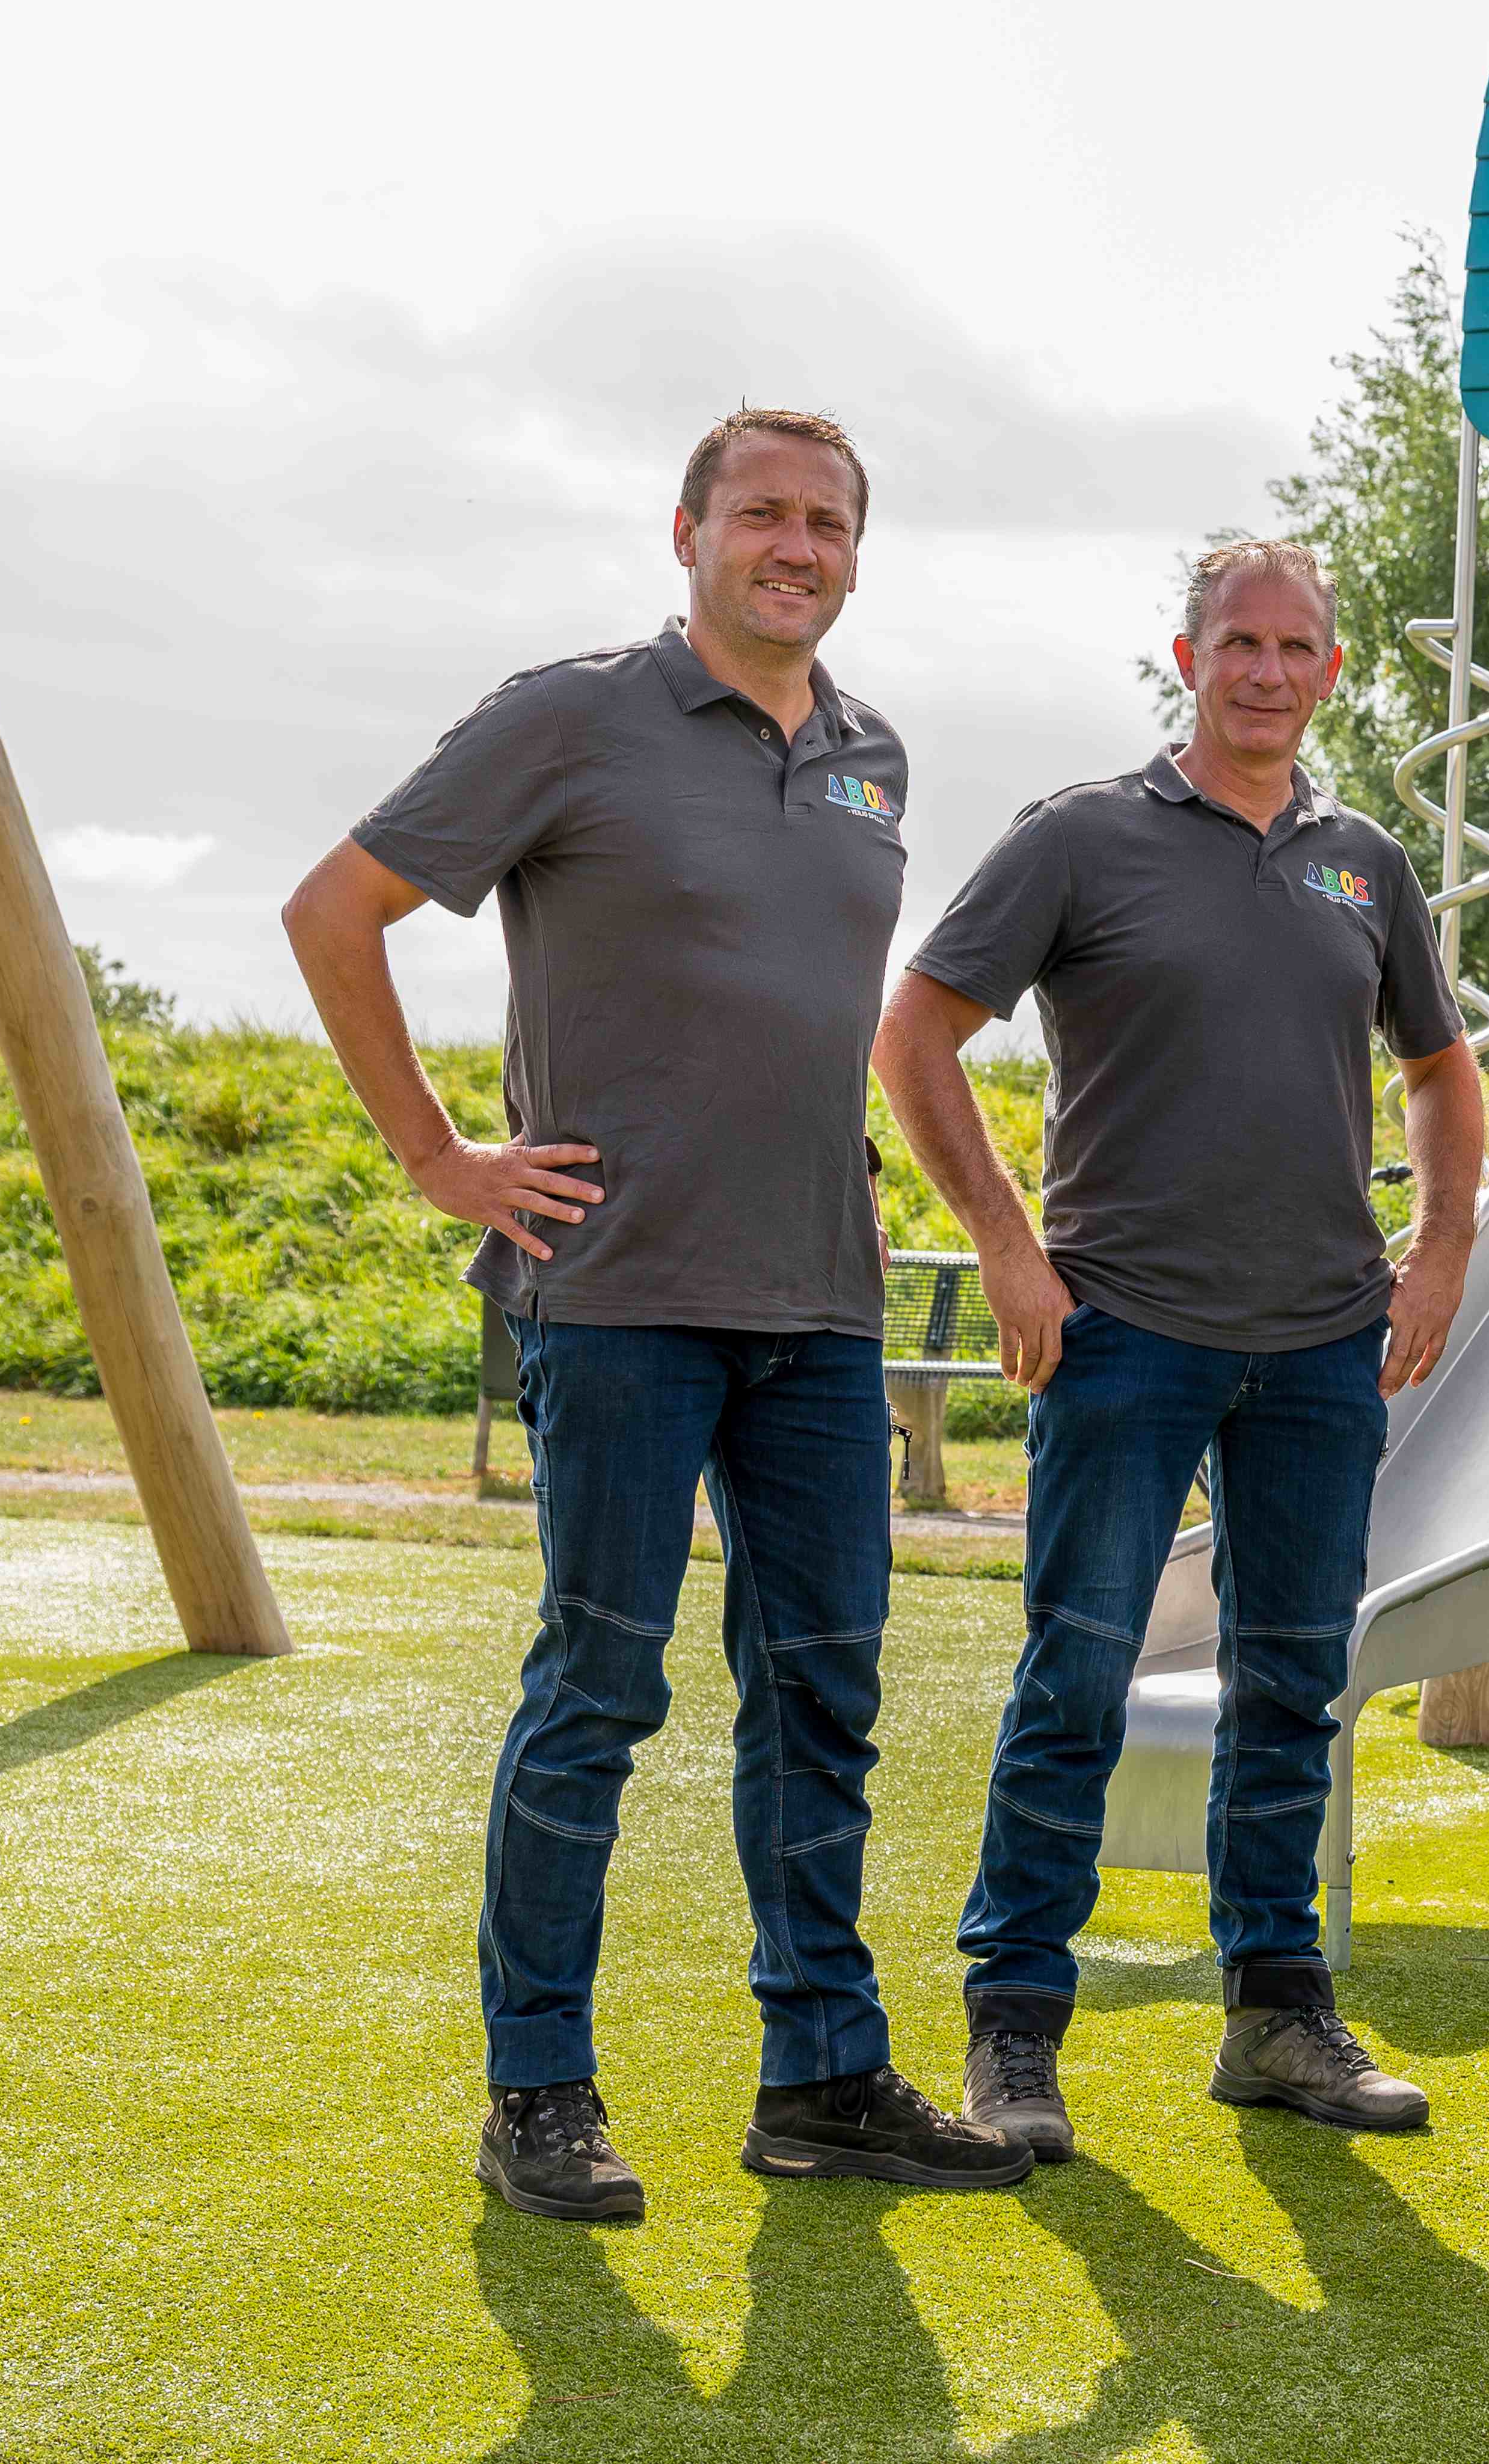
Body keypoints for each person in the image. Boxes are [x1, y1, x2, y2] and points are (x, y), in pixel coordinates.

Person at [283, 408, 1031, 2222]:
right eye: (762, 512)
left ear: (858, 551)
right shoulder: (572, 717)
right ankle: (537, 2085)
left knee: (823, 1695)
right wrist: (437, 1150)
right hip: (616, 1295)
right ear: (686, 529)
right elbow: (333, 910)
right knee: (599, 1689)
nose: (798, 542)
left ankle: (825, 2074)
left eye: (829, 520)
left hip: (821, 1308)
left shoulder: (875, 754)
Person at [874, 541, 1482, 2157]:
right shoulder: (1080, 838)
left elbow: (1438, 1064)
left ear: (1331, 669)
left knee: (1293, 1682)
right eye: (1239, 643)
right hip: (1122, 1331)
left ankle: (1276, 2015)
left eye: (1296, 645)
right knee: (1076, 1672)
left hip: (1321, 1345)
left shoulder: (1365, 864)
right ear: (1187, 656)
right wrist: (1009, 1245)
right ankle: (1014, 2028)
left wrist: (1441, 1245)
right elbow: (915, 1027)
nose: (1267, 669)